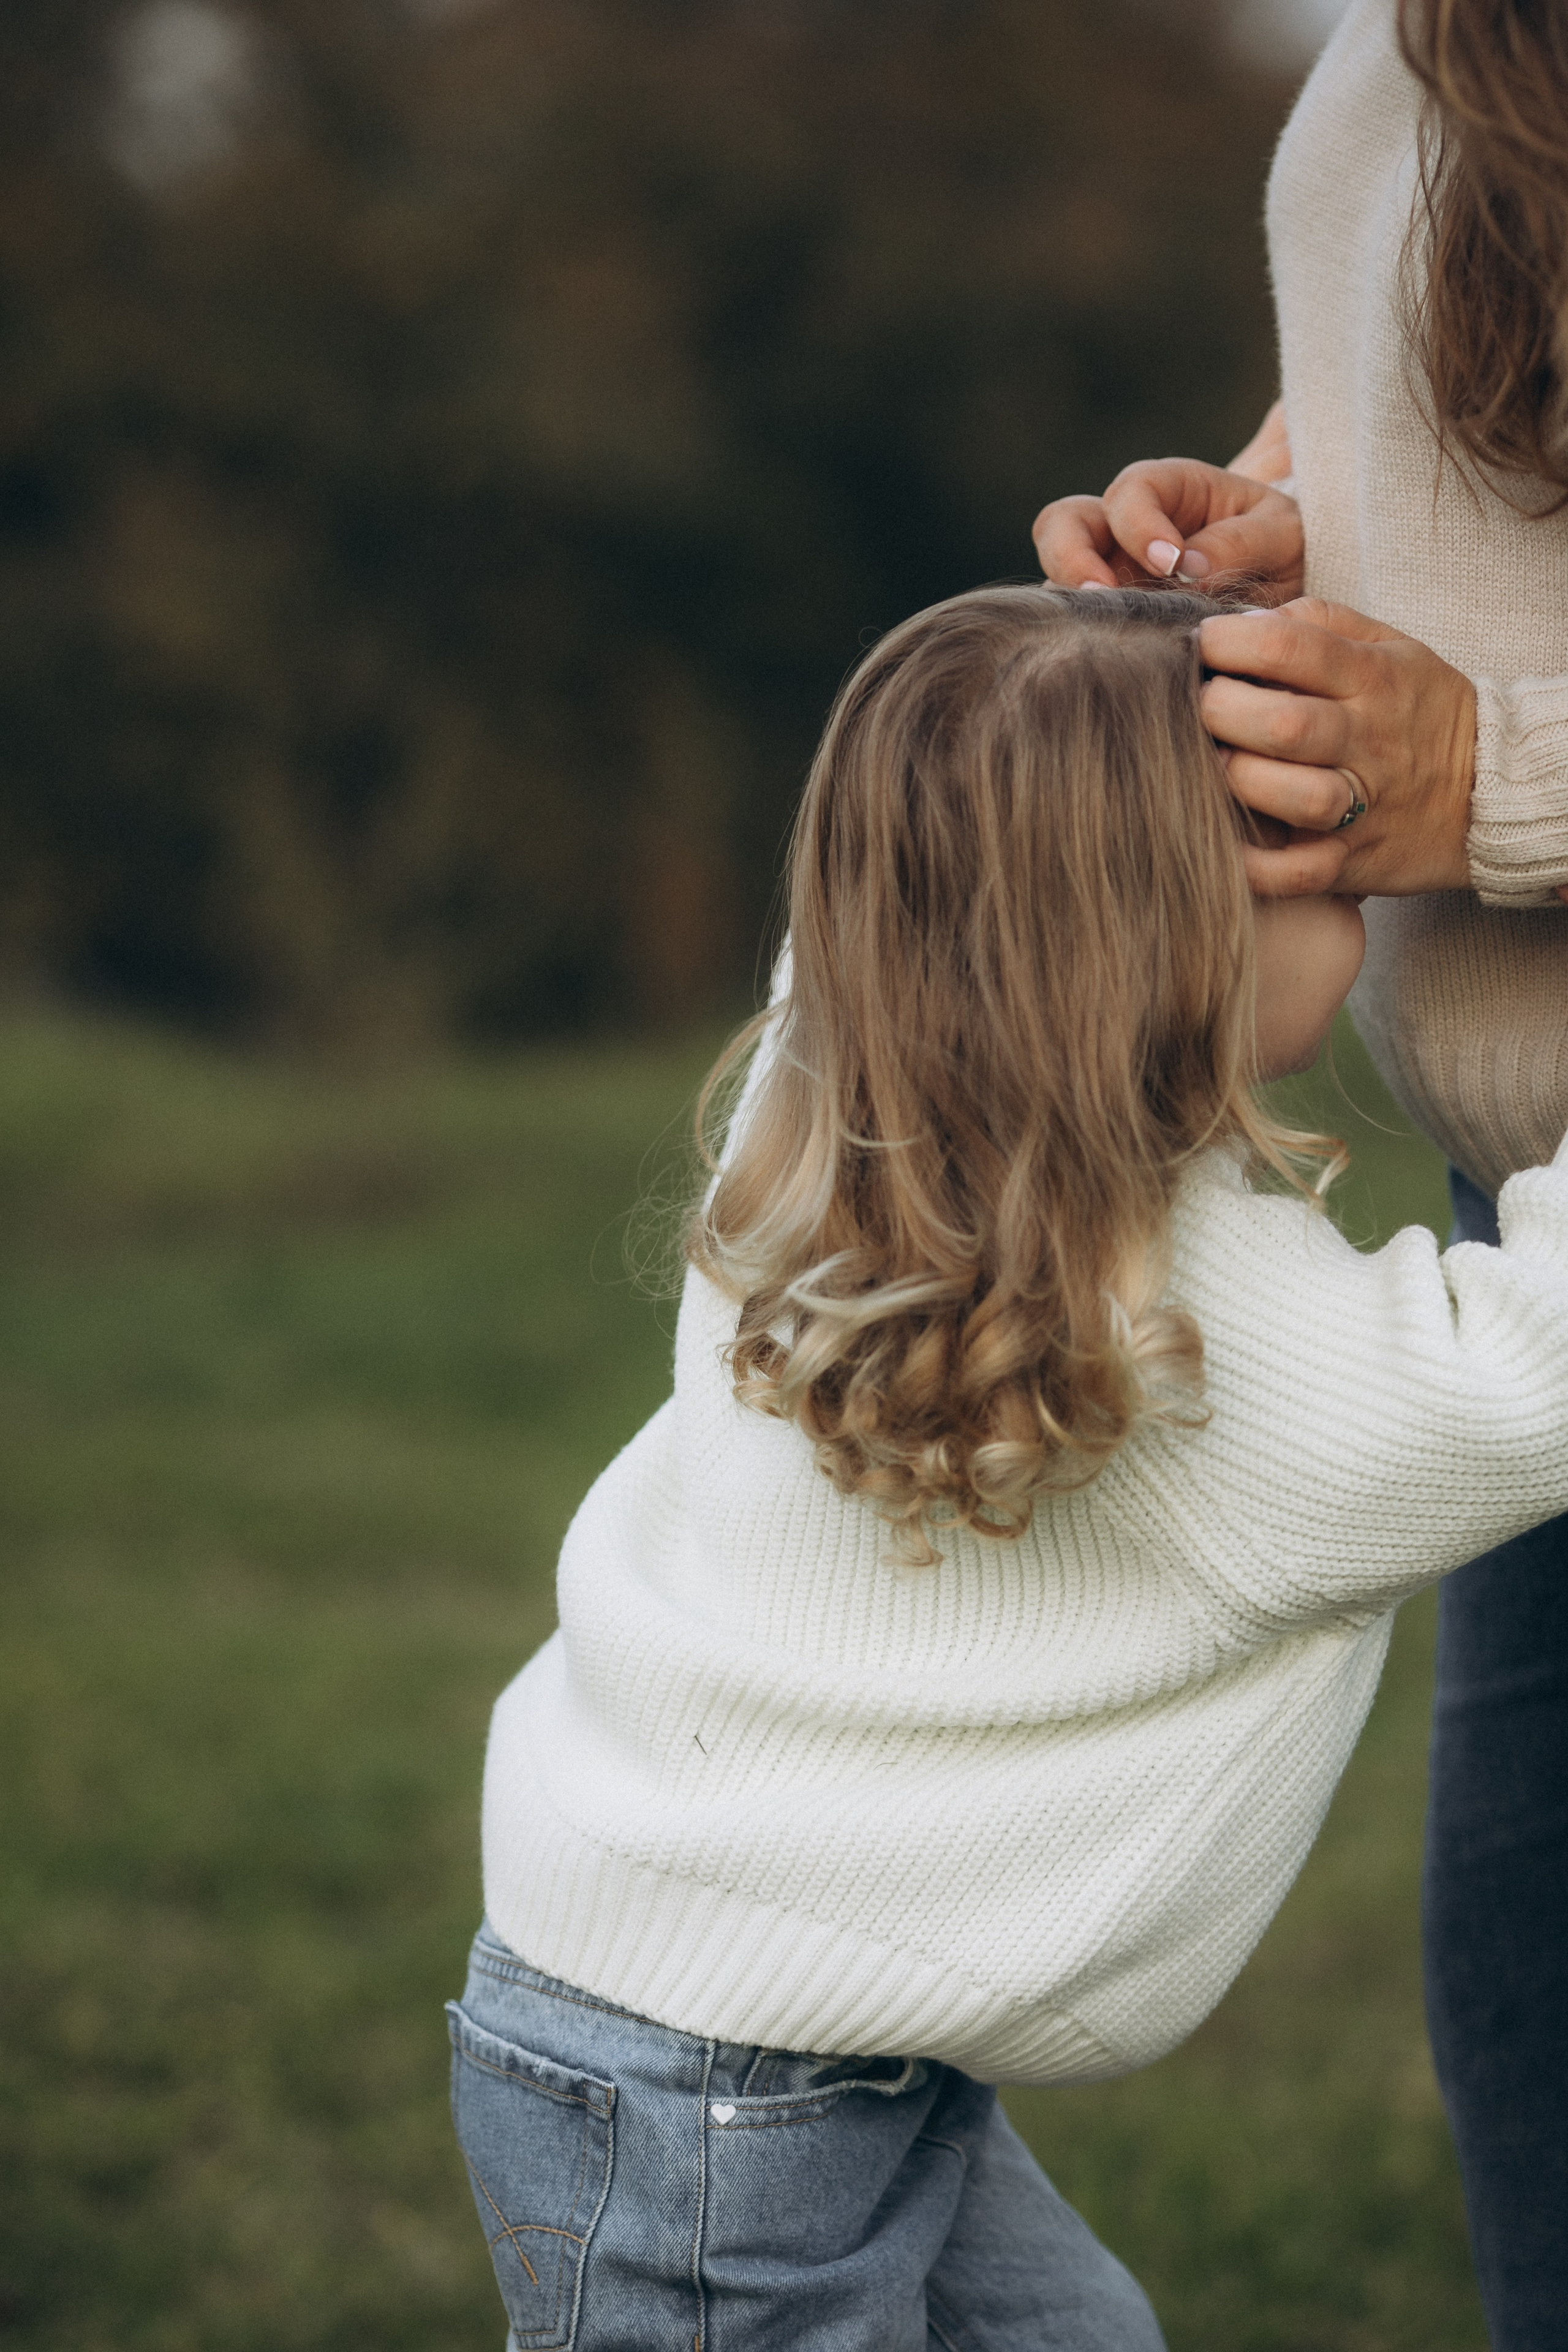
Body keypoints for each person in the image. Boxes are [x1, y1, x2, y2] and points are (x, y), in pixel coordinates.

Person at [449, 582, 1568, 2352]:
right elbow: (1544, 1361)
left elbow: (958, 826)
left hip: (713, 2038)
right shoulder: (1218, 1350)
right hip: (727, 2122)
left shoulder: (831, 1104)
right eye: (1328, 860)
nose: (1381, 890)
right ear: (1177, 934)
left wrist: (1140, 625)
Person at [1033, 5, 1568, 2342]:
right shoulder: (1417, 26)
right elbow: (1466, 417)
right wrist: (1295, 511)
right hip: (1519, 1229)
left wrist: (1513, 775)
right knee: (1541, 2066)